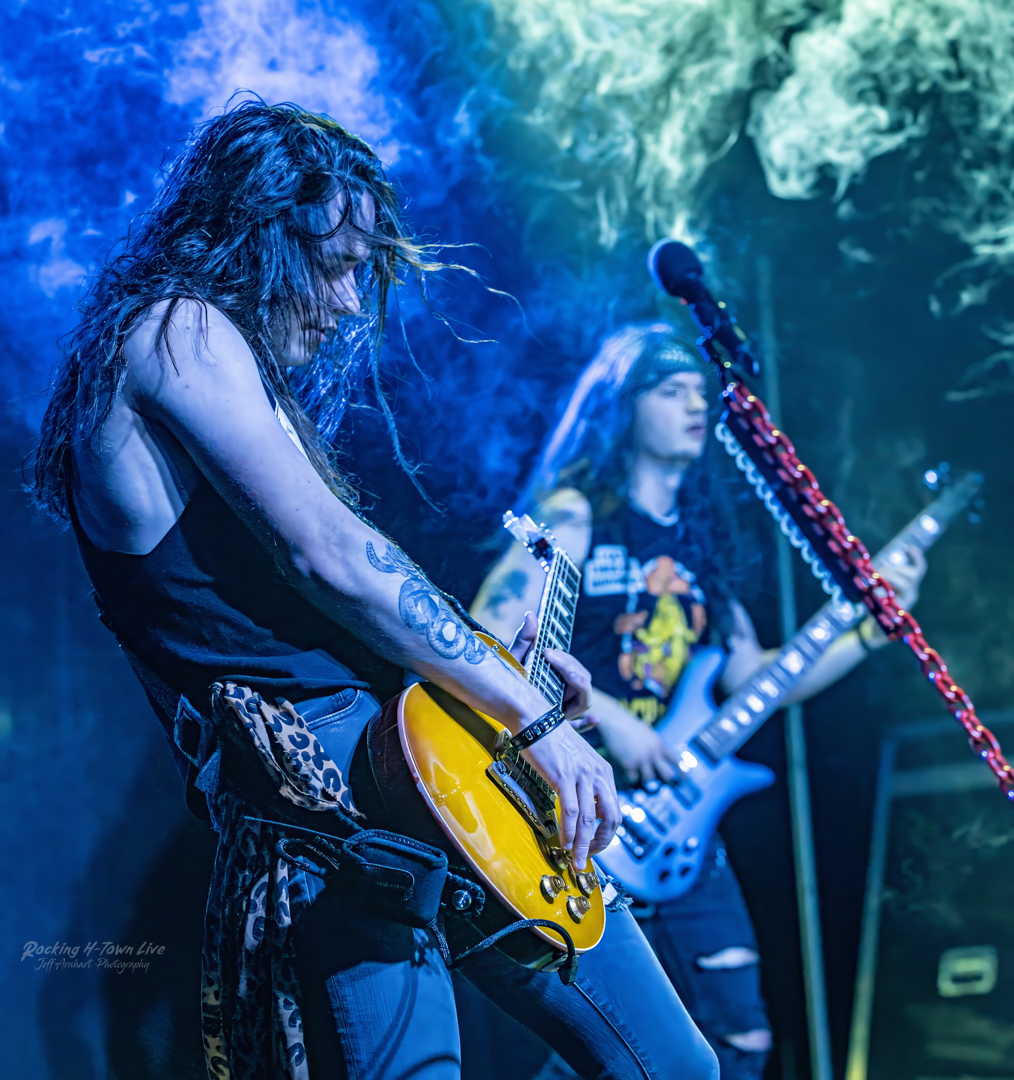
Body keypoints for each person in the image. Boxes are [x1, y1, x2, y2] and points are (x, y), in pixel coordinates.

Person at [31, 103, 720, 1080]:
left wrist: (496, 679)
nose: (352, 302)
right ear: (257, 232)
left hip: (422, 757)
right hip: (331, 805)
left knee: (679, 1067)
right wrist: (529, 717)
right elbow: (332, 556)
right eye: (337, 263)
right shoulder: (176, 329)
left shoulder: (218, 356)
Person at [471, 323, 927, 1079]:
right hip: (573, 808)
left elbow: (758, 678)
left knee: (740, 1038)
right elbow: (490, 633)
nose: (695, 405)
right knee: (589, 1044)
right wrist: (609, 716)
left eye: (699, 392)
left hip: (676, 831)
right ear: (623, 406)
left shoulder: (704, 550)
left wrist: (868, 631)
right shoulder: (577, 514)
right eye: (670, 389)